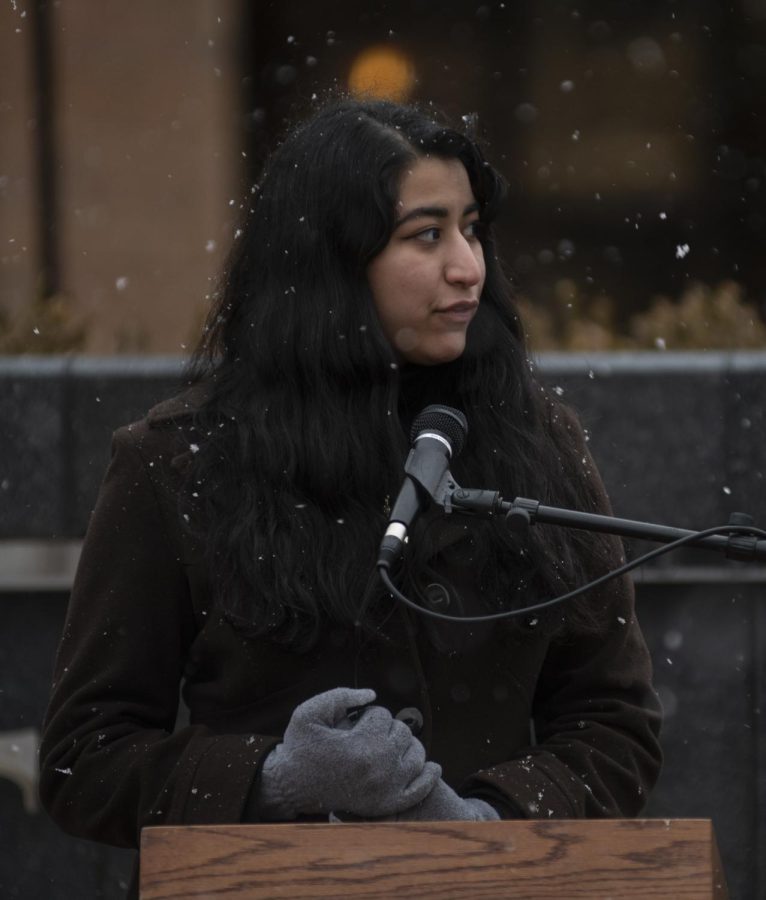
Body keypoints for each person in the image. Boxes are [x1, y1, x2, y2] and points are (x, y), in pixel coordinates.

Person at [39, 97, 662, 889]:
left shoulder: (538, 443)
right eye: (425, 235)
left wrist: (487, 824)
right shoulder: (176, 464)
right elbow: (81, 759)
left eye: (471, 228)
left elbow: (616, 724)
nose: (468, 265)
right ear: (330, 261)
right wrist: (273, 778)